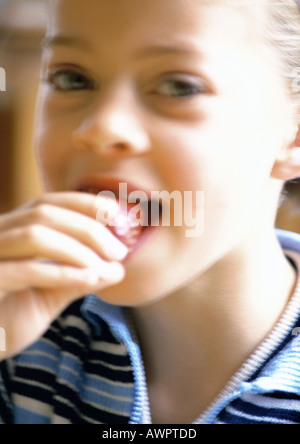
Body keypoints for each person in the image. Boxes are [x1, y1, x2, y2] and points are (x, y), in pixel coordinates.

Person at [0, 0, 300, 425]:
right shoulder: (17, 337)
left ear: (295, 135)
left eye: (179, 86)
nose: (101, 127)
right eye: (73, 78)